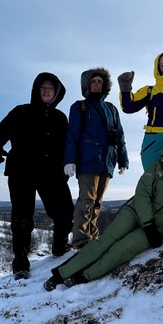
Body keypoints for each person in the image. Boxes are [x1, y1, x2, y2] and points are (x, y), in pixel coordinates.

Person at [43, 133, 163, 289]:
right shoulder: (156, 167)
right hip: (135, 213)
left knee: (121, 250)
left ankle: (83, 276)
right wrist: (147, 223)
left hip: (159, 227)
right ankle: (60, 274)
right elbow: (142, 195)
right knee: (106, 241)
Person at [0, 72, 74, 279]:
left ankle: (60, 246)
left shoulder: (60, 118)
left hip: (51, 172)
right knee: (22, 218)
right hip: (21, 172)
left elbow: (69, 145)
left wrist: (68, 165)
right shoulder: (20, 112)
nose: (46, 91)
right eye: (42, 88)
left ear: (56, 93)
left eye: (50, 89)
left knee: (65, 211)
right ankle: (21, 261)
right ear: (36, 90)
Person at [64, 68, 130, 249]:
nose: (96, 84)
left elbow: (120, 136)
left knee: (97, 202)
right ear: (86, 84)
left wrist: (123, 160)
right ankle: (80, 239)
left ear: (105, 85)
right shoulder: (80, 107)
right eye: (93, 81)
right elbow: (72, 134)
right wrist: (70, 160)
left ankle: (92, 236)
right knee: (87, 200)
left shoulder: (112, 109)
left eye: (100, 82)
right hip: (87, 160)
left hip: (107, 161)